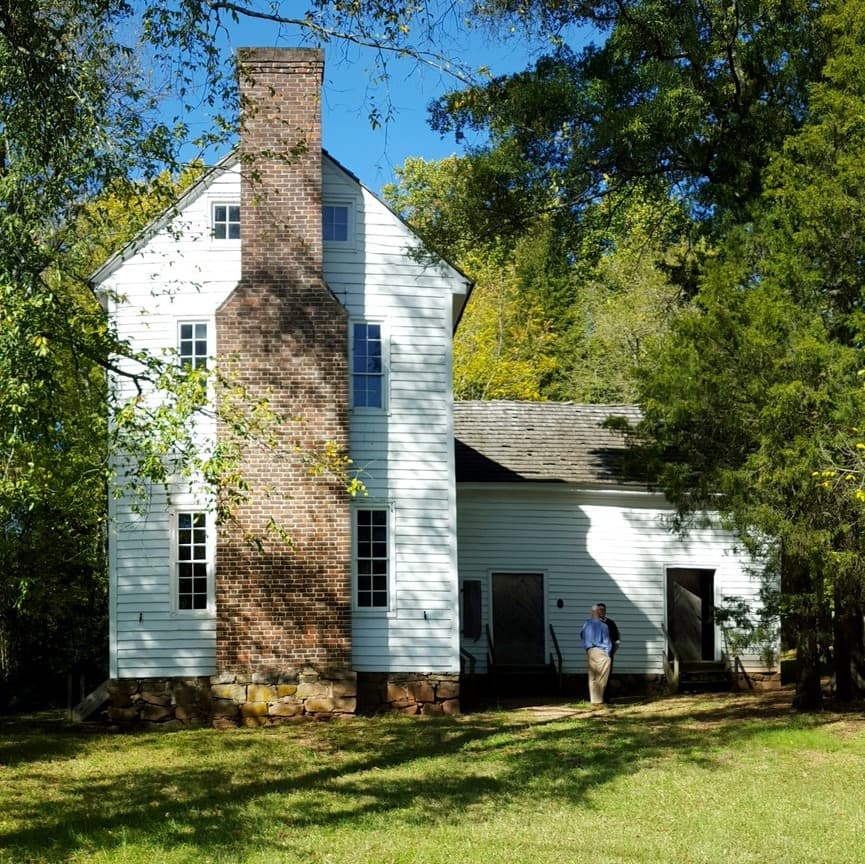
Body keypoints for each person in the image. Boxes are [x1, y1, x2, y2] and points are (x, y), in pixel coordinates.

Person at [580, 605, 612, 706]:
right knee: (602, 676)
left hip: (590, 651)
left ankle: (594, 700)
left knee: (592, 676)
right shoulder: (604, 626)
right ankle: (599, 700)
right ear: (598, 613)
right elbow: (607, 642)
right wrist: (608, 654)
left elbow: (582, 635)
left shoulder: (586, 625)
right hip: (601, 651)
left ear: (591, 612)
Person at [598, 602, 620, 702]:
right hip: (596, 654)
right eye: (599, 610)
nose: (601, 612)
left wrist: (614, 650)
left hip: (608, 654)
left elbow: (617, 638)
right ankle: (596, 698)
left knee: (607, 674)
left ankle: (606, 698)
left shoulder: (611, 623)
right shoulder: (591, 623)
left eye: (603, 610)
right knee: (597, 675)